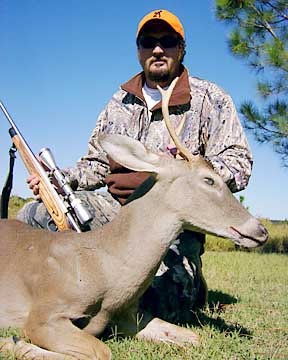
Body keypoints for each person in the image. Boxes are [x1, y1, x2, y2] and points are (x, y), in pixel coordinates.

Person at [17, 9, 253, 324]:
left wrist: (185, 174)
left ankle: (189, 285)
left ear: (181, 48)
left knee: (161, 301)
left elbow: (240, 163)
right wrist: (60, 180)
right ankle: (36, 303)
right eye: (148, 42)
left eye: (168, 41)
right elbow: (96, 164)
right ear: (138, 49)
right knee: (33, 216)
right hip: (116, 209)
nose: (158, 49)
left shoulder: (210, 99)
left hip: (173, 222)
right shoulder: (119, 103)